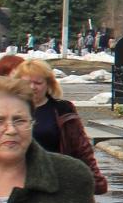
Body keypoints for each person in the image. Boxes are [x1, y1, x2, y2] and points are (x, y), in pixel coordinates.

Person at [11, 60, 108, 194]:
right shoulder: (9, 110)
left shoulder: (62, 109)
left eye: (38, 83)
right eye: (27, 83)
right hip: (17, 182)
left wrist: (95, 179)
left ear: (48, 84)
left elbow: (81, 147)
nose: (33, 87)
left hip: (56, 181)